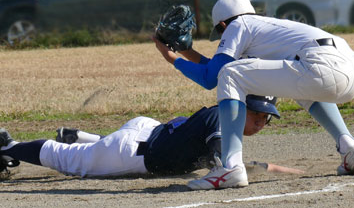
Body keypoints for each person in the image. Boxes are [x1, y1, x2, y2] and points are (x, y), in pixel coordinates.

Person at [153, 0, 354, 190]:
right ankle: (351, 149)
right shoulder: (266, 29)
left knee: (230, 74)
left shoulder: (239, 24)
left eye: (220, 33)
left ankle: (230, 166)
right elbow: (214, 69)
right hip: (352, 70)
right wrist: (187, 52)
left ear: (222, 24)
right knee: (296, 83)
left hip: (320, 65)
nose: (221, 39)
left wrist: (173, 59)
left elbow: (212, 78)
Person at [0, 95, 301, 178]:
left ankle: (80, 136)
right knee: (65, 160)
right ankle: (9, 146)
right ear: (240, 106)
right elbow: (227, 166)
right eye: (257, 114)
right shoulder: (221, 117)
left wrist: (290, 171)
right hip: (133, 152)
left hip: (147, 130)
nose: (262, 122)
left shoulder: (220, 119)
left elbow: (235, 163)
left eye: (266, 118)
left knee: (102, 146)